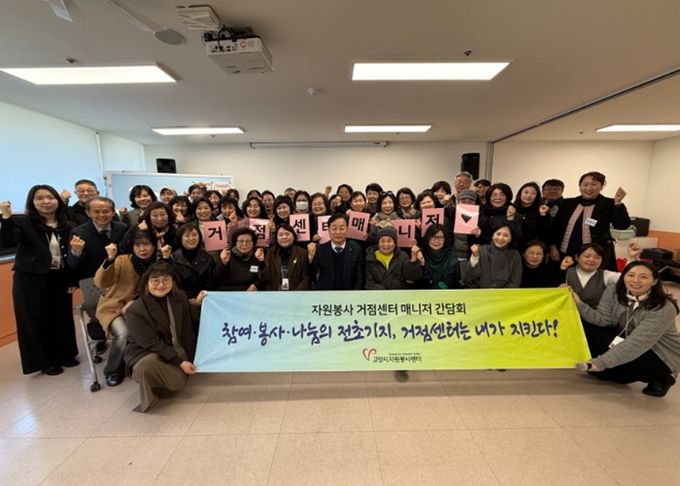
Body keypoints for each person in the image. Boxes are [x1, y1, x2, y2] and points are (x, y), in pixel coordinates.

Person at [0, 186, 78, 375]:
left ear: (57, 200)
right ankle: (46, 362)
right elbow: (8, 242)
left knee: (63, 317)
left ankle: (66, 354)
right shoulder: (23, 222)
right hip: (30, 279)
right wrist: (6, 217)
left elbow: (71, 254)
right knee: (36, 320)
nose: (46, 201)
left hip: (59, 276)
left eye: (50, 197)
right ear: (32, 202)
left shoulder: (66, 223)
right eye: (40, 198)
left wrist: (73, 280)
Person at [572, 261, 680, 397]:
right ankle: (609, 368)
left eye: (643, 277)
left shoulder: (663, 308)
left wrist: (600, 363)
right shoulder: (613, 291)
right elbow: (603, 319)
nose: (635, 281)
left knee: (618, 376)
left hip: (658, 353)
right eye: (631, 275)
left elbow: (637, 343)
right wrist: (579, 303)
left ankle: (663, 377)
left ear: (654, 281)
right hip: (626, 338)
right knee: (586, 328)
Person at [125, 262, 205, 412]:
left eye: (166, 280)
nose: (161, 285)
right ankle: (152, 379)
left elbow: (191, 316)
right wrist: (180, 362)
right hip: (147, 351)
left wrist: (198, 303)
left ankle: (158, 377)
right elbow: (152, 343)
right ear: (146, 283)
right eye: (155, 281)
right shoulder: (135, 311)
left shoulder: (179, 296)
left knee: (177, 380)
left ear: (173, 281)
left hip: (175, 348)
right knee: (158, 371)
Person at [94, 230, 158, 386]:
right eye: (138, 245)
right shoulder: (122, 261)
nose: (142, 249)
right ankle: (113, 371)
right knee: (124, 333)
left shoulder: (156, 263)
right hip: (112, 309)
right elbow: (101, 283)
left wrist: (135, 301)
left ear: (154, 246)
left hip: (139, 309)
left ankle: (138, 364)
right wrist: (109, 260)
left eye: (146, 244)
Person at [550, 171, 630, 270]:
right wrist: (553, 247)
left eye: (594, 184)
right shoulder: (568, 203)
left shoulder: (609, 204)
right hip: (567, 252)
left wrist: (617, 204)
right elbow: (555, 227)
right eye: (585, 184)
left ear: (601, 186)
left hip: (595, 257)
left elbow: (622, 225)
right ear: (580, 186)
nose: (588, 188)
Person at [564, 242, 642, 309]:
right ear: (577, 257)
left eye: (597, 257)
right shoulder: (566, 272)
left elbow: (628, 277)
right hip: (567, 317)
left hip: (595, 319)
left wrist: (632, 258)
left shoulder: (606, 275)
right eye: (587, 256)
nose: (591, 260)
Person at [308, 213, 365, 290]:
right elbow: (312, 275)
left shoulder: (356, 250)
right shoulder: (320, 249)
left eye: (342, 228)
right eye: (334, 229)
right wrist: (310, 258)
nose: (338, 232)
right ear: (329, 230)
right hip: (326, 293)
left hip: (348, 293)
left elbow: (360, 278)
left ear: (347, 229)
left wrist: (353, 295)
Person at [462, 223, 522, 288]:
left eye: (505, 235)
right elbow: (468, 279)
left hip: (504, 294)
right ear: (492, 236)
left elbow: (514, 283)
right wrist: (475, 257)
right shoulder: (481, 250)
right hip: (479, 292)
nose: (500, 238)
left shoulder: (515, 256)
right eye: (498, 234)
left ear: (510, 239)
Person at [170, 223, 215, 300]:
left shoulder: (208, 257)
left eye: (194, 235)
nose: (191, 238)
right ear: (180, 238)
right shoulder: (173, 258)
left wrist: (200, 298)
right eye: (187, 236)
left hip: (204, 298)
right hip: (180, 299)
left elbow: (211, 283)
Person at [259, 224, 310, 290]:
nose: (284, 237)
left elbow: (306, 278)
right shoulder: (270, 252)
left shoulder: (302, 253)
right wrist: (261, 262)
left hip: (296, 293)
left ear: (293, 236)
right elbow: (264, 278)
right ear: (276, 238)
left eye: (287, 234)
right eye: (280, 235)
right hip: (274, 293)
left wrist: (296, 294)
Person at [417, 224, 461, 289]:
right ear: (427, 238)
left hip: (446, 292)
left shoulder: (451, 255)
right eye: (433, 237)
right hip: (424, 292)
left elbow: (447, 282)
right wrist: (422, 264)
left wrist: (434, 291)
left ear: (445, 239)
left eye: (440, 238)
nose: (436, 241)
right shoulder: (422, 253)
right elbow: (419, 281)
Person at [512, 181, 550, 249]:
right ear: (520, 193)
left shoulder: (542, 210)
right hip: (513, 247)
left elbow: (545, 233)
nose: (529, 195)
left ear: (536, 196)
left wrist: (543, 215)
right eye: (526, 192)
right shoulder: (512, 209)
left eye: (533, 193)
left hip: (532, 248)